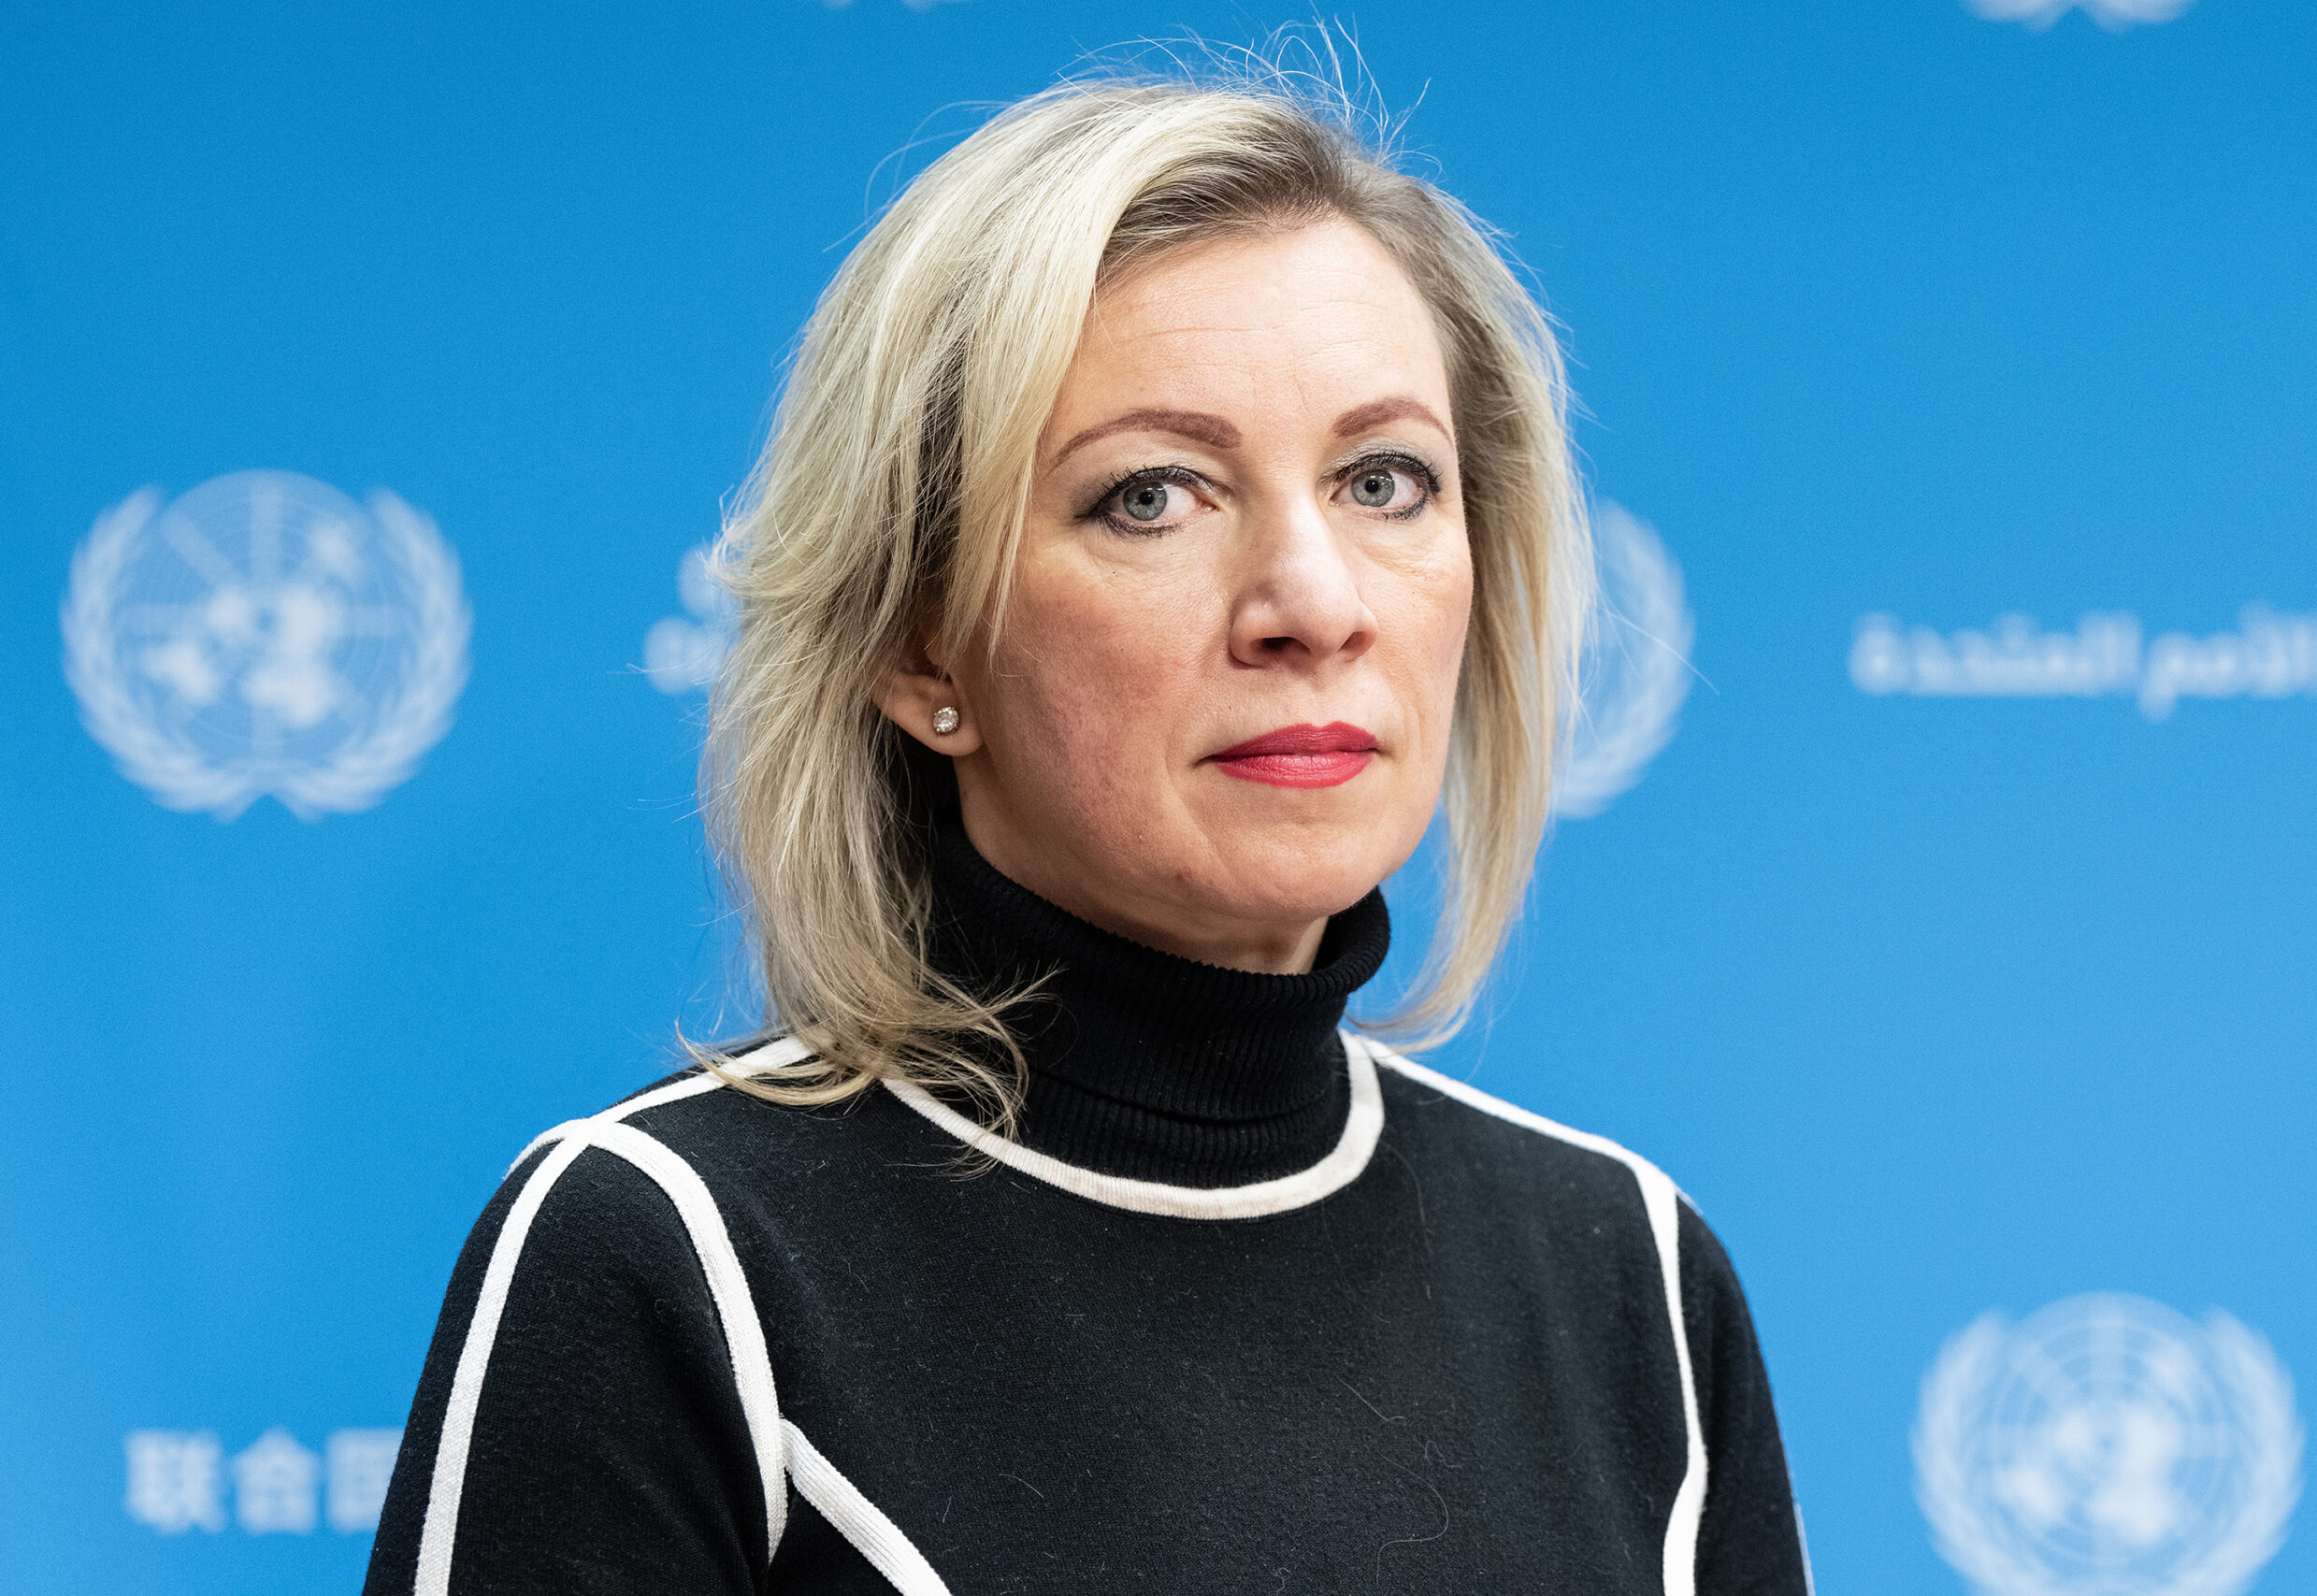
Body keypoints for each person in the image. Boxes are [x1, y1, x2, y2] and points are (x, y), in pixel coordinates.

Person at [367, 69, 1812, 1596]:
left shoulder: (1633, 1277)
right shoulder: (671, 1255)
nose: (1316, 602)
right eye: (1152, 497)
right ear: (920, 641)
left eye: (1383, 481)